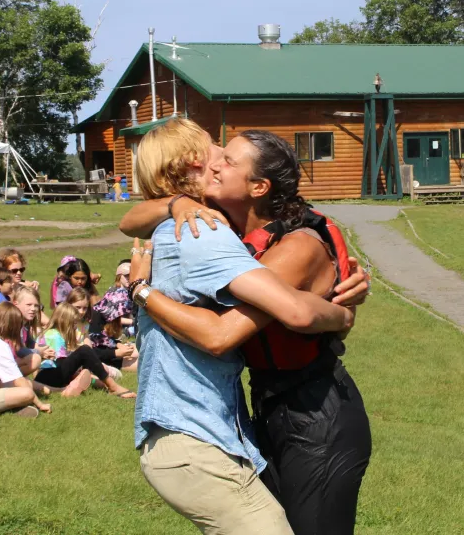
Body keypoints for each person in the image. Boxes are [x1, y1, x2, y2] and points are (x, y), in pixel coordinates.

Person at [122, 130, 372, 535]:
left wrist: (140, 291)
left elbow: (223, 335)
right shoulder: (220, 229)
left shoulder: (288, 248)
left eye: (227, 160)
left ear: (258, 187)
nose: (216, 163)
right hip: (270, 411)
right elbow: (129, 219)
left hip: (315, 414)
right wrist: (177, 201)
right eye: (214, 156)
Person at [35, 299, 134, 398]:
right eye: (73, 323)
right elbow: (61, 363)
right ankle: (113, 387)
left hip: (53, 375)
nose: (75, 327)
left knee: (85, 360)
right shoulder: (53, 335)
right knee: (84, 350)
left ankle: (81, 386)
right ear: (63, 321)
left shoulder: (57, 334)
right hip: (47, 376)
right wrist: (78, 366)